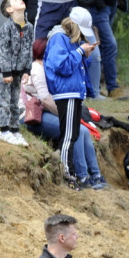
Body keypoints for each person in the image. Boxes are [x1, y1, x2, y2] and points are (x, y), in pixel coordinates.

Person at [24, 38, 106, 189]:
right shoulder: (38, 69)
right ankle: (82, 176)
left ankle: (96, 175)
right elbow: (46, 100)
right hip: (34, 116)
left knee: (85, 131)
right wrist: (66, 114)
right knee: (78, 130)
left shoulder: (46, 67)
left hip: (47, 111)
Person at [44, 10, 96, 187]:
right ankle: (66, 172)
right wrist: (80, 51)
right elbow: (61, 66)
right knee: (68, 135)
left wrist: (85, 55)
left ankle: (68, 170)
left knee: (72, 134)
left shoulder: (70, 41)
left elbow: (75, 66)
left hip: (73, 92)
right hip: (66, 92)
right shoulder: (59, 38)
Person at [0, 0, 34, 146]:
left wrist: (26, 70)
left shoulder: (29, 27)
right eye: (15, 0)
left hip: (18, 70)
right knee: (3, 100)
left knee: (15, 101)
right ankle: (4, 130)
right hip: (4, 70)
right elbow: (3, 50)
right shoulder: (6, 27)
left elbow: (28, 49)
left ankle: (14, 129)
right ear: (9, 9)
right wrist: (6, 72)